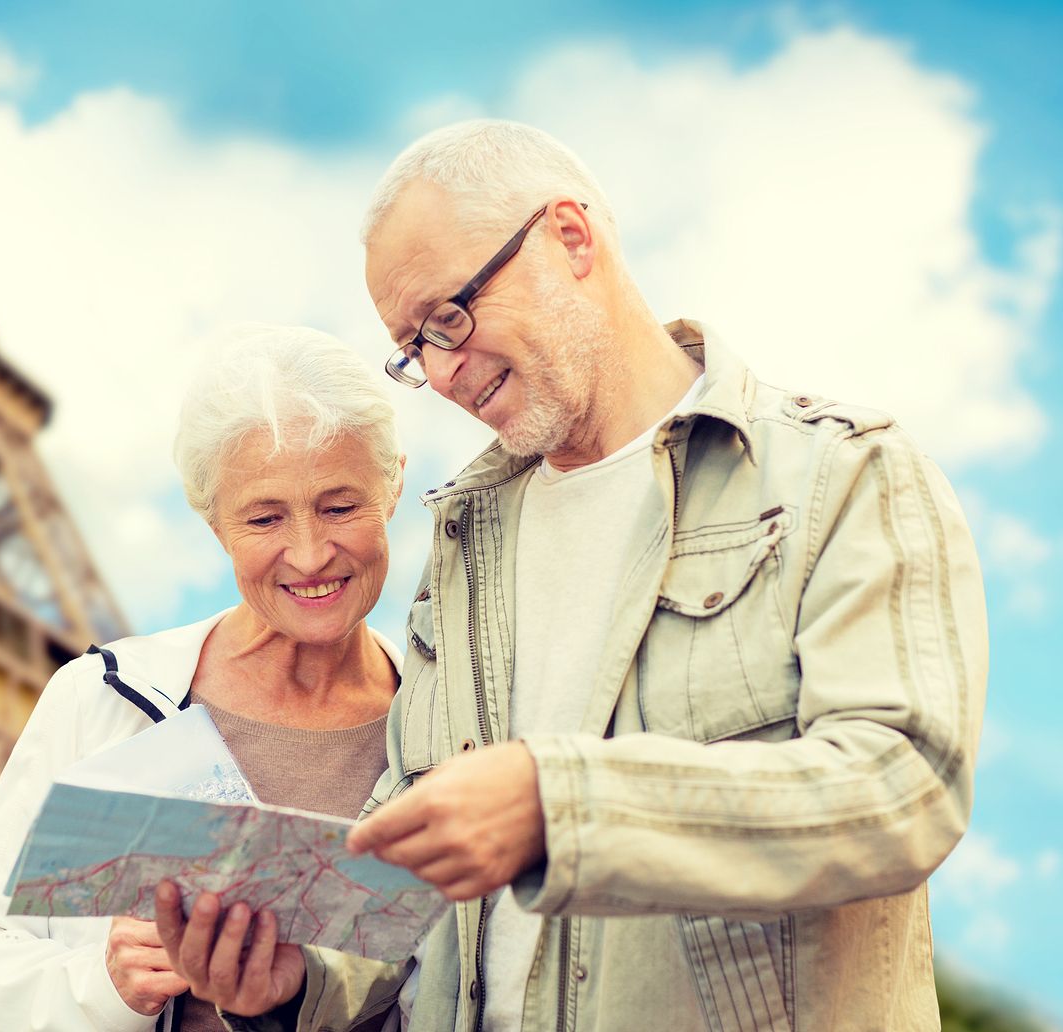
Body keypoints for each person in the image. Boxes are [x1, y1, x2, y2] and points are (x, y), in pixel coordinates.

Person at [156, 120, 987, 1031]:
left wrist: (562, 807)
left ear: (570, 236)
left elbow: (904, 790)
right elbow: (412, 885)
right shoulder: (463, 544)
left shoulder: (842, 474)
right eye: (413, 349)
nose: (442, 372)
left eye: (448, 318)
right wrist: (296, 983)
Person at [0, 325, 408, 1032]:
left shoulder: (442, 723)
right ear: (214, 525)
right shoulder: (99, 699)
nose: (308, 554)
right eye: (264, 517)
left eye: (339, 507)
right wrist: (106, 985)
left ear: (393, 486)